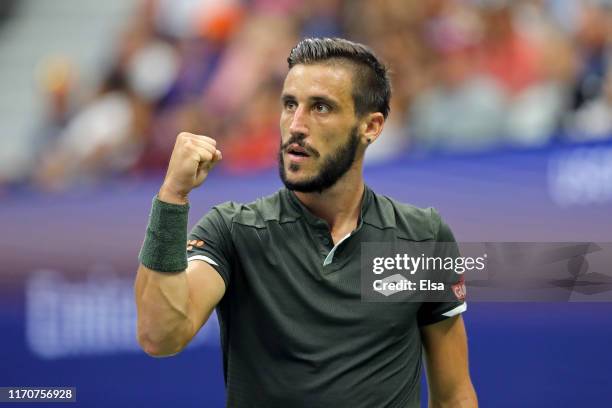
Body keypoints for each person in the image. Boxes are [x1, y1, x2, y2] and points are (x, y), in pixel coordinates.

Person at [135, 37, 478, 408]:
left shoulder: (423, 236)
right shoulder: (234, 230)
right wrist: (172, 197)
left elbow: (453, 395)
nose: (296, 125)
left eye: (320, 107)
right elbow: (160, 335)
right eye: (289, 105)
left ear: (371, 126)